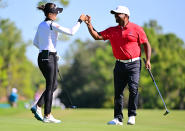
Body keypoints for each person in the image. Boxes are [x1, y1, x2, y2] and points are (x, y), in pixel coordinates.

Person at [85, 5, 151, 125]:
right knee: (118, 92)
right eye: (115, 14)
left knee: (133, 89)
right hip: (119, 64)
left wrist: (148, 60)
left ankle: (132, 115)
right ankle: (118, 118)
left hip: (134, 63)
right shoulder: (112, 30)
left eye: (118, 14)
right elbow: (97, 36)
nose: (115, 16)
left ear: (126, 16)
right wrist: (89, 24)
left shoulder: (136, 28)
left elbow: (146, 44)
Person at [32, 3, 86, 123]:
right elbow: (71, 32)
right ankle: (47, 115)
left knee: (54, 85)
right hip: (49, 58)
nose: (57, 14)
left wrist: (49, 50)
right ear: (50, 14)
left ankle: (38, 105)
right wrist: (79, 21)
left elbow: (35, 43)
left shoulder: (41, 25)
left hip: (42, 57)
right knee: (51, 86)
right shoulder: (51, 24)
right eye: (55, 12)